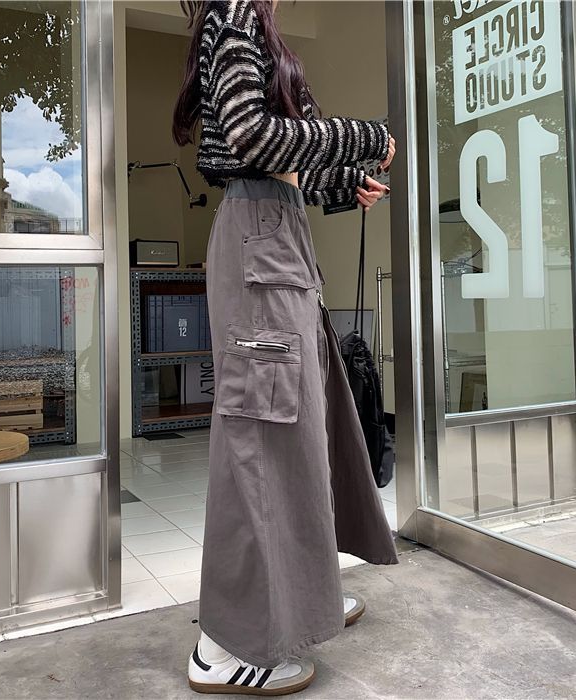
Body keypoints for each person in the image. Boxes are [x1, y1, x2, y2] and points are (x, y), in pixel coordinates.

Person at [172, 0, 398, 694]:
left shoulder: (244, 17)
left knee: (299, 425)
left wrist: (342, 181)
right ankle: (227, 642)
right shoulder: (232, 10)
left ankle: (301, 599)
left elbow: (285, 159)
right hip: (259, 240)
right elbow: (253, 138)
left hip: (278, 233)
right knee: (260, 435)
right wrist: (363, 135)